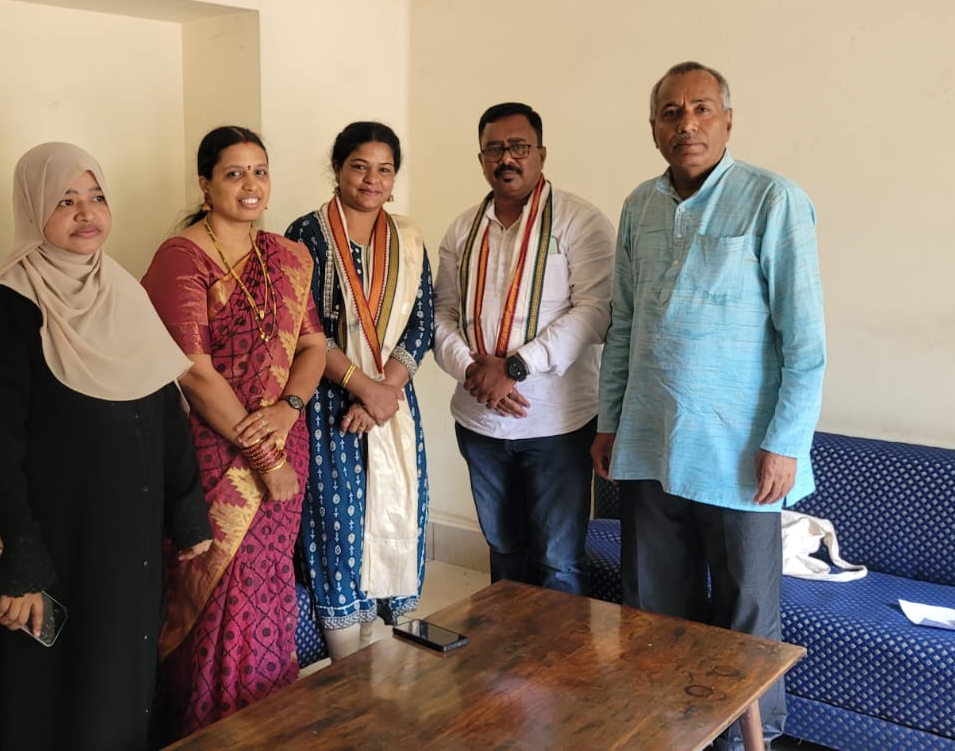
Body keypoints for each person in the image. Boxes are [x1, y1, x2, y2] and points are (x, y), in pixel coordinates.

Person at [591, 62, 826, 751]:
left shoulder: (772, 199)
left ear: (727, 121)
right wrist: (610, 422)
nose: (686, 124)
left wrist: (786, 442)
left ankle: (751, 741)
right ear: (653, 127)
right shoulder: (639, 205)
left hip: (741, 456)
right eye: (671, 112)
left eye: (700, 109)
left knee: (745, 618)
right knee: (651, 609)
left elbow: (804, 341)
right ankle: (664, 732)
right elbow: (624, 325)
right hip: (649, 442)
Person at [0, 142, 214, 750]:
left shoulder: (123, 291)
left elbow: (165, 408)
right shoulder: (5, 305)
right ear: (32, 209)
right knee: (49, 691)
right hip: (55, 540)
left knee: (119, 680)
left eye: (96, 197)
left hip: (128, 541)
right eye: (65, 201)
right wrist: (21, 558)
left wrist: (186, 508)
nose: (86, 213)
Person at [141, 125, 326, 739]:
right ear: (205, 183)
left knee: (269, 590)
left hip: (284, 441)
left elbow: (313, 347)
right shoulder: (181, 258)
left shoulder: (288, 256)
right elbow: (193, 373)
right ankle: (212, 732)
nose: (251, 185)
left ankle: (272, 726)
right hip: (215, 456)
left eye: (260, 171)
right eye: (234, 173)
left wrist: (289, 409)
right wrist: (266, 457)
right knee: (220, 594)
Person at [432, 102, 614, 595]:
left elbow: (596, 312)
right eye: (495, 149)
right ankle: (506, 645)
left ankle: (561, 649)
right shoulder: (462, 229)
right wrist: (472, 370)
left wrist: (515, 366)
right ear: (481, 159)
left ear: (541, 154)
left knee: (558, 560)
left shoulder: (580, 221)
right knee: (504, 549)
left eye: (519, 147)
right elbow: (442, 313)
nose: (507, 158)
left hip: (556, 425)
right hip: (479, 422)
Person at [284, 121, 433, 662]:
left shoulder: (408, 238)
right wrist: (362, 387)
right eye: (360, 167)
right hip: (330, 406)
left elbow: (422, 323)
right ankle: (345, 669)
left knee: (393, 519)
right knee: (339, 528)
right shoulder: (305, 234)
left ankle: (380, 660)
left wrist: (383, 392)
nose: (372, 180)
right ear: (338, 168)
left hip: (392, 407)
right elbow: (304, 330)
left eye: (384, 170)